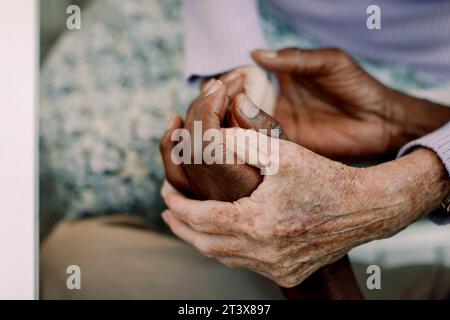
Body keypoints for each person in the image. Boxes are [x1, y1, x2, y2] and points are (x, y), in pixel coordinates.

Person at [40, 0, 450, 299]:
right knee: (79, 165)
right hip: (259, 26)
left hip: (435, 62)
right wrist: (236, 65)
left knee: (77, 257)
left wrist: (414, 183)